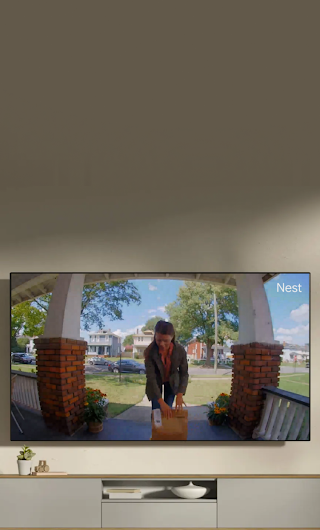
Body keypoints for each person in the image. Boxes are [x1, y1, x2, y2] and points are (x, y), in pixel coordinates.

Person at [144, 320, 189, 419]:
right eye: (159, 340)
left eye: (166, 341)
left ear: (172, 337)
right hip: (156, 382)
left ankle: (165, 434)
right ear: (155, 336)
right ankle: (156, 434)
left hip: (172, 382)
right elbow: (151, 378)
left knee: (167, 410)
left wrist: (180, 394)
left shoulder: (180, 351)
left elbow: (184, 373)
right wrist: (160, 401)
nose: (162, 344)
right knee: (156, 412)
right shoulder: (149, 352)